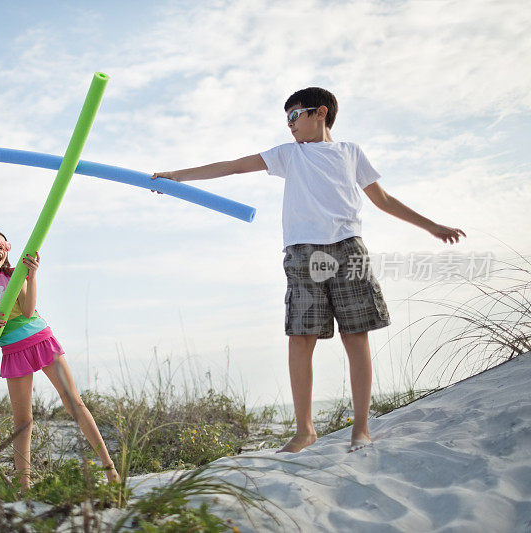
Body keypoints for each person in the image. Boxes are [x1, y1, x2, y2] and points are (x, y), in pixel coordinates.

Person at [152, 87, 465, 453]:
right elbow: (235, 165)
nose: (289, 125)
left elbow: (383, 200)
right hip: (302, 253)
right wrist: (177, 176)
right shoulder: (289, 156)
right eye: (285, 119)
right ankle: (305, 431)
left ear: (320, 113)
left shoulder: (350, 153)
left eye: (293, 116)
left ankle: (361, 428)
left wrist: (432, 226)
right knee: (300, 337)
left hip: (348, 247)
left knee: (356, 334)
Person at [0, 229, 120, 487]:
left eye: (5, 244)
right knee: (23, 421)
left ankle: (110, 469)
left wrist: (32, 277)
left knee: (73, 402)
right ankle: (24, 486)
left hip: (41, 340)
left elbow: (28, 310)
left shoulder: (13, 276)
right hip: (12, 351)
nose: (2, 248)